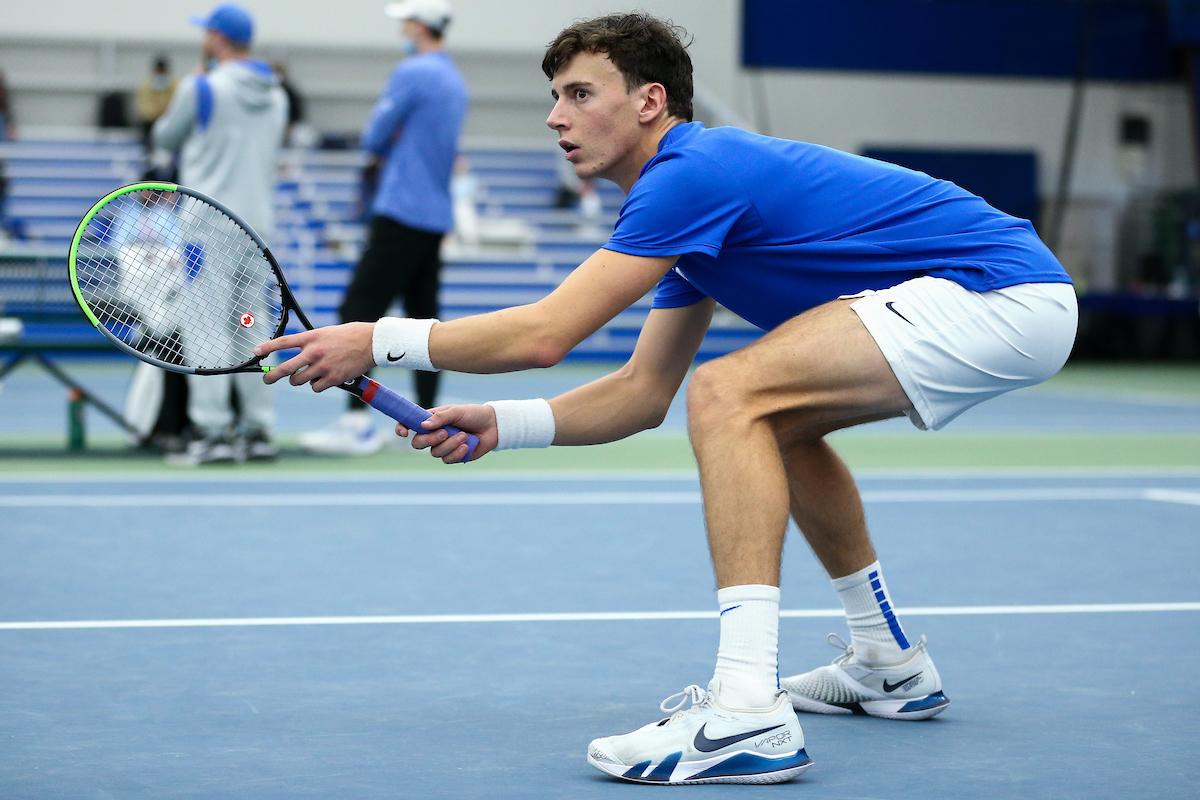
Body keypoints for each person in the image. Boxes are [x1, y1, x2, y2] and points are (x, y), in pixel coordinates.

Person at [255, 13, 1078, 785]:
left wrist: (378, 338)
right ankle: (889, 664)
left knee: (728, 391)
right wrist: (500, 425)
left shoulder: (691, 173)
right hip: (1006, 302)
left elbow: (545, 335)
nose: (555, 117)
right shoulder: (685, 211)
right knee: (773, 423)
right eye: (554, 97)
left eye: (579, 94)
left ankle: (748, 714)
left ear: (651, 103)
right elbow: (641, 394)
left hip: (998, 292)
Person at [298, 0, 467, 456]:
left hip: (402, 209)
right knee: (424, 319)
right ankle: (430, 419)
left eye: (407, 21)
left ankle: (354, 424)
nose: (403, 29)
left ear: (419, 25)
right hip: (433, 213)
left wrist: (386, 141)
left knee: (358, 308)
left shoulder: (415, 72)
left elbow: (375, 136)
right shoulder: (454, 80)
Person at [153, 3, 288, 465]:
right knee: (252, 326)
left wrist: (191, 86)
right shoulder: (278, 95)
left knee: (205, 324)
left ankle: (211, 433)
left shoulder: (202, 86)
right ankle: (257, 428)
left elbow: (165, 138)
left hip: (208, 231)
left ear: (216, 39)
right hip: (257, 232)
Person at [135, 55, 177, 150]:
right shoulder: (146, 86)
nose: (161, 74)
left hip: (169, 123)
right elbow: (145, 111)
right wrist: (162, 112)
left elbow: (177, 108)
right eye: (159, 71)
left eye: (162, 71)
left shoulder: (174, 86)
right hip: (150, 124)